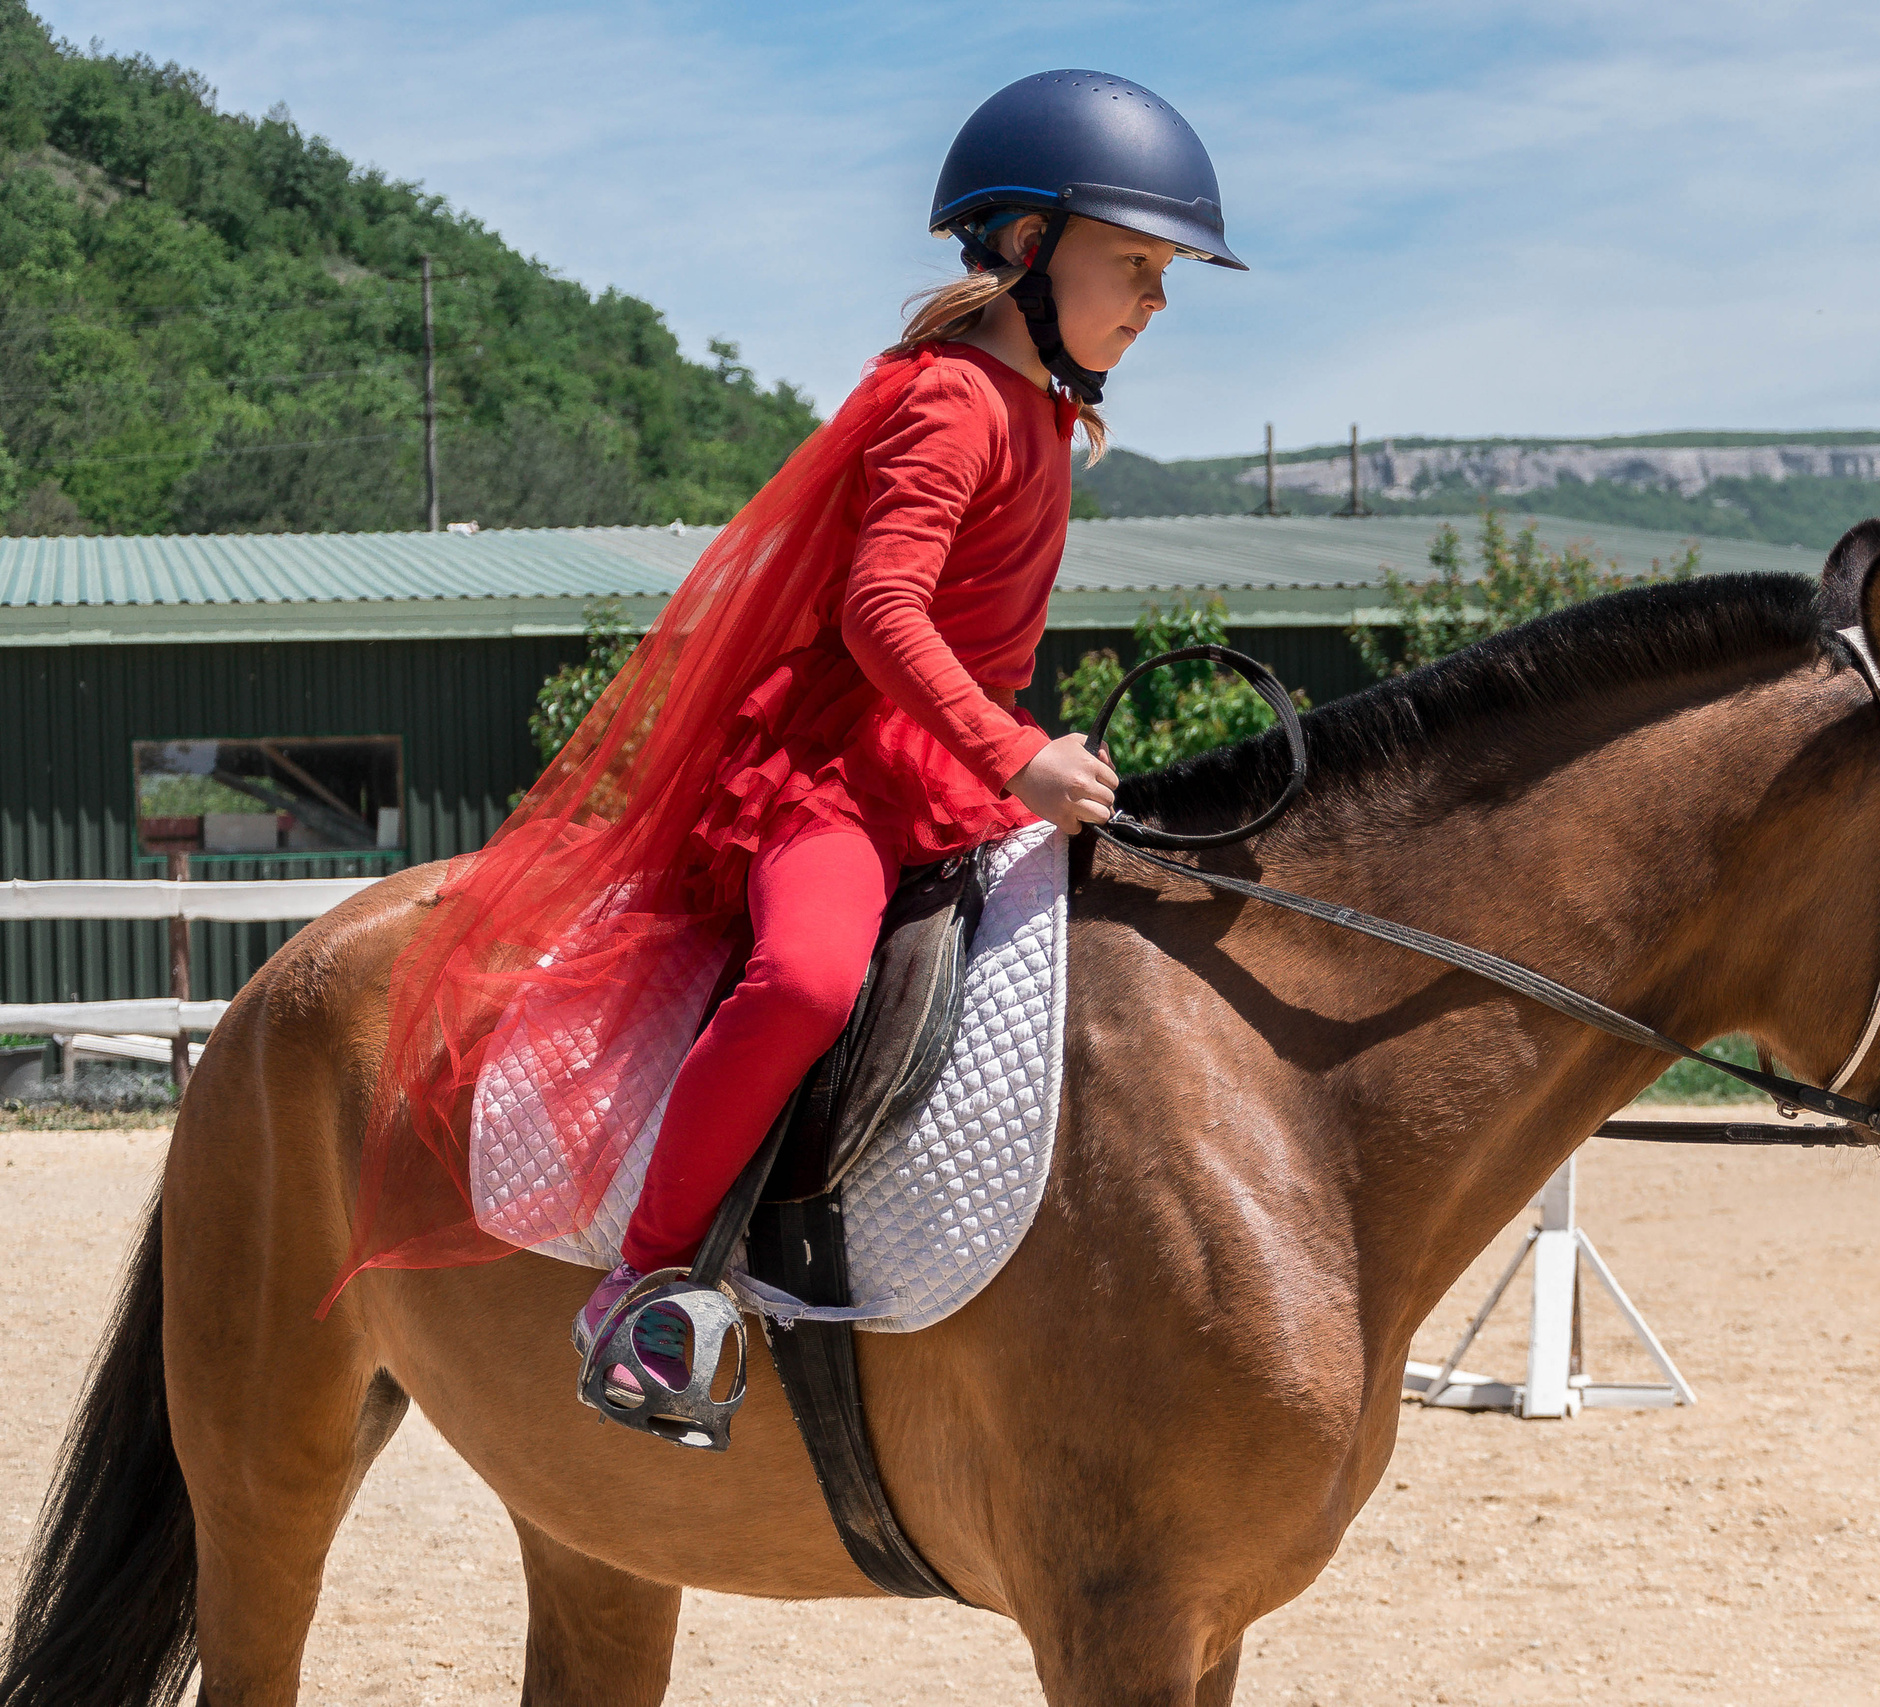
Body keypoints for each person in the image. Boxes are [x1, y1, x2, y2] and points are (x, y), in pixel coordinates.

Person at [334, 73, 1245, 1421]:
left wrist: (1008, 751)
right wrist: (1014, 756)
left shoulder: (1048, 415)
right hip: (838, 777)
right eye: (1136, 264)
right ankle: (642, 1297)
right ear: (1030, 249)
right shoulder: (952, 403)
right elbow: (882, 611)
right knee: (812, 980)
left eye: (1168, 273)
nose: (1157, 300)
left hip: (949, 776)